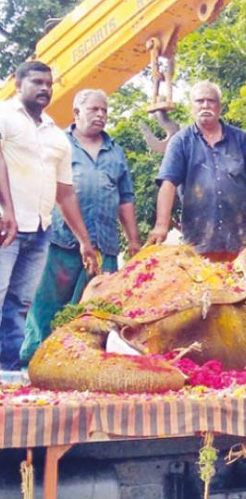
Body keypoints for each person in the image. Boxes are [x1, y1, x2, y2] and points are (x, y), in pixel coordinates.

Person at [19, 89, 141, 364]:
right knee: (48, 305)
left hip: (105, 245)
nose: (100, 115)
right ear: (76, 113)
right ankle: (34, 361)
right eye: (94, 109)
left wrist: (134, 240)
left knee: (100, 309)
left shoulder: (115, 151)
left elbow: (125, 198)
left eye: (105, 110)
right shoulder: (58, 144)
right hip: (62, 243)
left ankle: (88, 363)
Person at [0, 61, 98, 370]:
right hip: (6, 227)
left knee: (19, 304)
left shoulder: (56, 135)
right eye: (37, 82)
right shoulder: (4, 116)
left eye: (49, 83)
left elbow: (65, 192)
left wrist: (84, 241)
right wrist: (7, 209)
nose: (45, 88)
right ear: (19, 85)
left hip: (40, 229)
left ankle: (9, 371)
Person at [146, 81, 246, 261]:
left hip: (241, 242)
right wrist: (161, 225)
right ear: (191, 107)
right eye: (199, 101)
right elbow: (168, 183)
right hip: (199, 243)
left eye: (211, 101)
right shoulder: (181, 142)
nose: (205, 105)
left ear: (220, 107)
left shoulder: (240, 139)